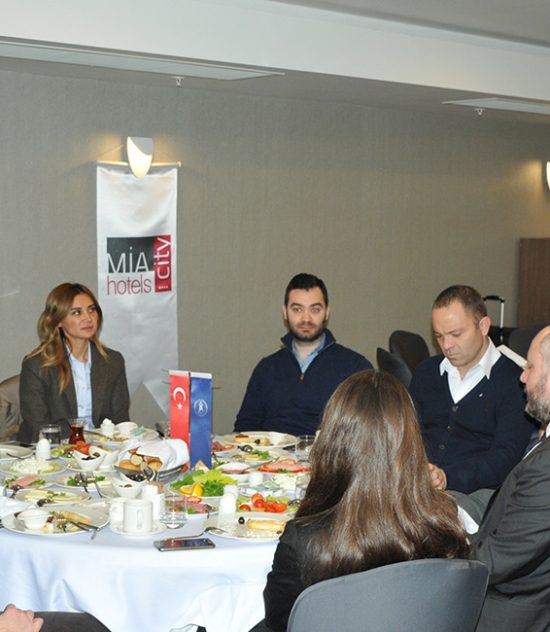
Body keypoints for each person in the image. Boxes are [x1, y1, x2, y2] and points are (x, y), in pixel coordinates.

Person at [250, 370, 470, 632]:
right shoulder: (443, 524)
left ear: (332, 443)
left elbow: (280, 621)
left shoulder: (303, 540)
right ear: (411, 442)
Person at [409, 285, 533, 494]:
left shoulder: (515, 382)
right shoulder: (426, 373)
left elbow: (504, 458)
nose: (446, 345)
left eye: (456, 334)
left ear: (483, 326)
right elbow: (408, 436)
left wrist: (447, 477)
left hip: (476, 492)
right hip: (419, 486)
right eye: (439, 336)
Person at [472, 326, 550, 631]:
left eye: (530, 367)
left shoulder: (546, 467)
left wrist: (439, 553)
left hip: (511, 610)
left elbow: (495, 562)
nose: (522, 377)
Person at [234, 273, 372, 435]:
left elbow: (367, 432)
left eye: (315, 309)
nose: (306, 318)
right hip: (271, 450)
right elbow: (245, 427)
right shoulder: (266, 368)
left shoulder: (355, 368)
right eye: (297, 309)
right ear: (285, 312)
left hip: (327, 450)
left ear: (327, 312)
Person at [18, 282, 130, 443]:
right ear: (58, 321)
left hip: (102, 449)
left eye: (91, 310)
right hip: (53, 448)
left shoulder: (113, 361)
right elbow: (38, 426)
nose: (88, 318)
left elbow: (120, 421)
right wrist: (80, 443)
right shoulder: (37, 365)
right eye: (77, 312)